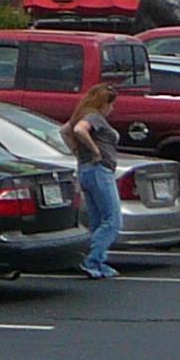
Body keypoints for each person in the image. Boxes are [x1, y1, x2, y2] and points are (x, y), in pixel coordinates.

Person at [61, 84, 123, 280]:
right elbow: (79, 130)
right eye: (111, 105)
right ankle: (90, 258)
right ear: (103, 103)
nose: (112, 109)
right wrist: (95, 150)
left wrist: (77, 152)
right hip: (99, 170)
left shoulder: (81, 114)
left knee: (97, 221)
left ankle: (98, 263)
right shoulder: (94, 117)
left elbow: (65, 130)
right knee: (112, 221)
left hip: (86, 170)